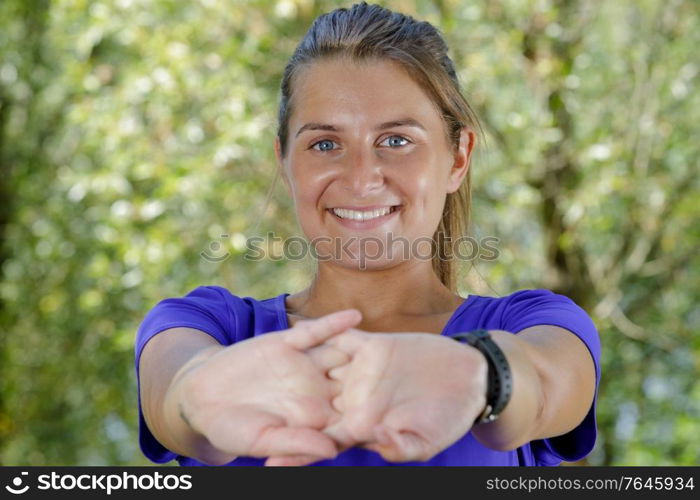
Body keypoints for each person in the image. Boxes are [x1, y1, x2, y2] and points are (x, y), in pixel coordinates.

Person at [135, 2, 600, 466]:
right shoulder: (210, 326)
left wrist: (481, 375)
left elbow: (544, 382)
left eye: (396, 141)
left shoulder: (535, 322)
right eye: (325, 144)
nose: (361, 179)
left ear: (457, 159)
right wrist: (203, 395)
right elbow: (174, 388)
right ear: (285, 161)